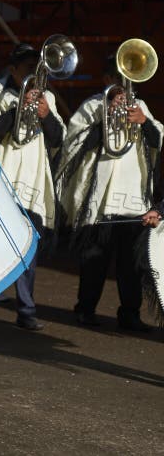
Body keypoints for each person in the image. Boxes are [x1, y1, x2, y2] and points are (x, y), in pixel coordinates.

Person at [56, 54, 162, 331]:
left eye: (128, 80)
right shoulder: (92, 106)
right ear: (106, 81)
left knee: (132, 266)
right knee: (94, 260)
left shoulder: (140, 107)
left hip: (134, 199)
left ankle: (130, 314)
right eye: (117, 80)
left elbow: (157, 140)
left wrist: (144, 122)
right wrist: (102, 123)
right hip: (100, 198)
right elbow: (74, 144)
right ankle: (85, 309)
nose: (124, 87)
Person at [0, 43, 67, 332]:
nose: (36, 75)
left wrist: (46, 115)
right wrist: (17, 110)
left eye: (38, 68)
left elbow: (58, 139)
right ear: (13, 69)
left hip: (33, 181)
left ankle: (26, 309)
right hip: (1, 179)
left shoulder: (47, 96)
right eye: (29, 69)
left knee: (29, 247)